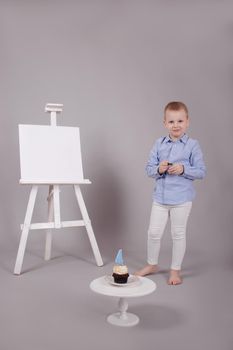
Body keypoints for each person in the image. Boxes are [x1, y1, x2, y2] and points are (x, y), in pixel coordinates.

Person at [135, 101, 206, 285]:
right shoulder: (159, 144)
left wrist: (183, 169)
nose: (176, 125)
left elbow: (201, 171)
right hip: (160, 198)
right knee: (153, 233)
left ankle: (175, 270)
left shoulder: (192, 145)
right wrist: (159, 168)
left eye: (180, 121)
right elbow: (148, 169)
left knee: (178, 234)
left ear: (187, 122)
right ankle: (152, 264)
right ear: (165, 123)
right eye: (172, 122)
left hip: (182, 199)